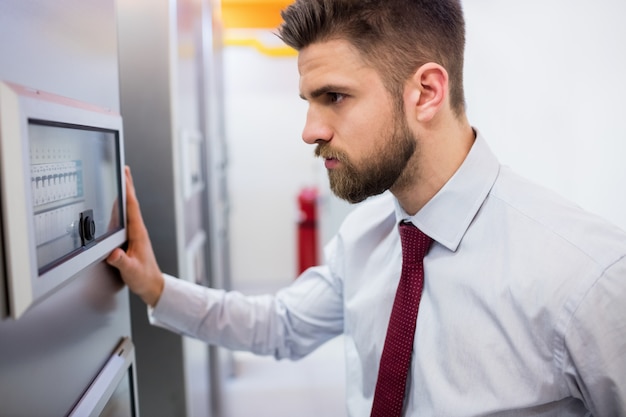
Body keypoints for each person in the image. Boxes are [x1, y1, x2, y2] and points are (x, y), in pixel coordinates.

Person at [106, 0, 626, 415]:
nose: (310, 130)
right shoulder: (368, 236)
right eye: (308, 101)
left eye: (334, 97)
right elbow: (281, 324)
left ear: (425, 92)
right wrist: (155, 286)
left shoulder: (586, 277)